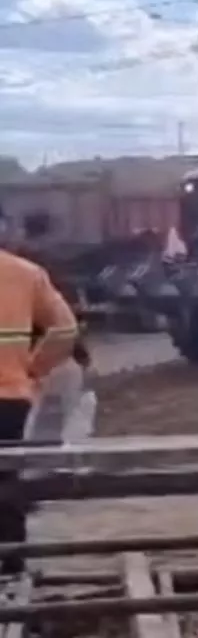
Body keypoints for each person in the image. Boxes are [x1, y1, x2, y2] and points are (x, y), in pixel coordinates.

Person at [0, 204, 78, 575]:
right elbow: (64, 330)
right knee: (6, 479)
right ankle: (12, 566)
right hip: (10, 397)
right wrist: (32, 368)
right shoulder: (27, 273)